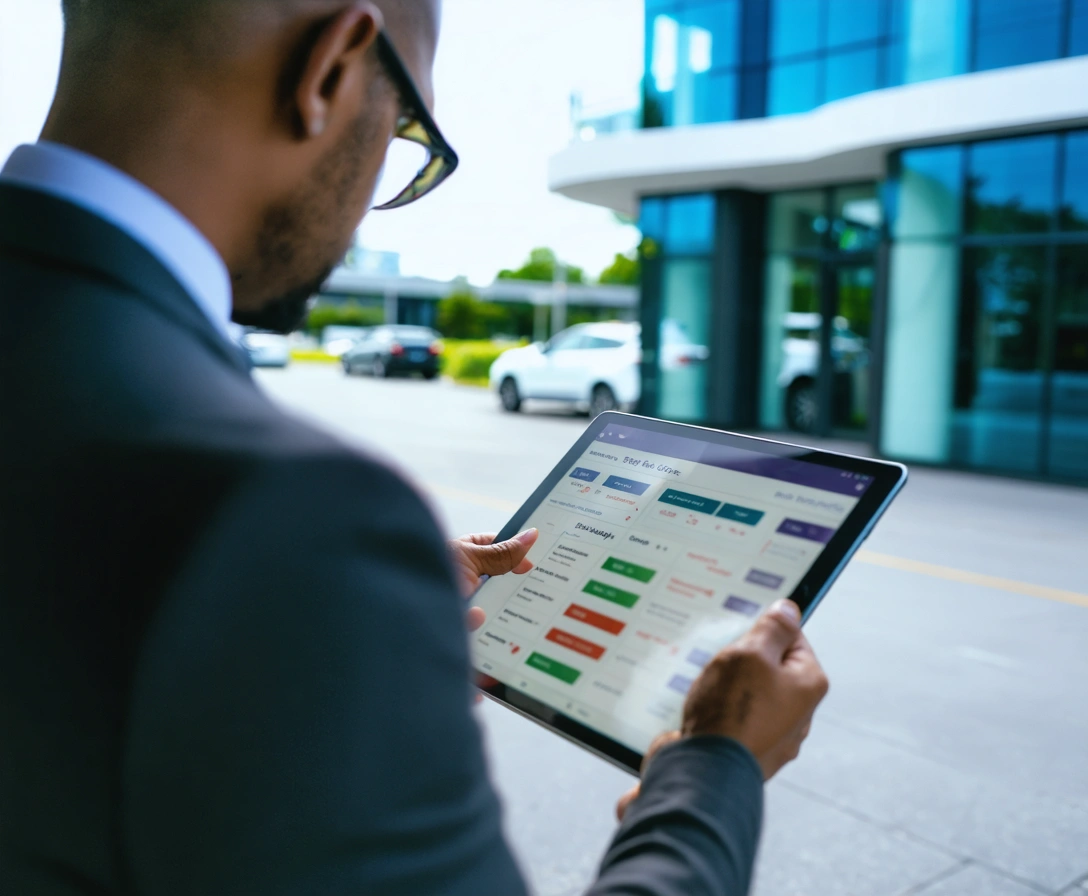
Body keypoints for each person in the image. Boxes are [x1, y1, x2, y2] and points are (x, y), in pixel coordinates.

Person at [0, 1, 829, 893]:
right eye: (406, 132)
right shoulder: (291, 515)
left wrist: (344, 633)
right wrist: (713, 771)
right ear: (329, 69)